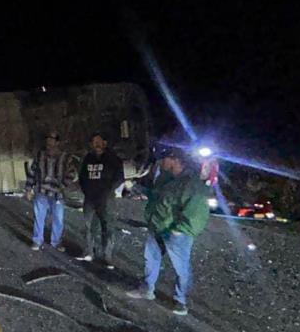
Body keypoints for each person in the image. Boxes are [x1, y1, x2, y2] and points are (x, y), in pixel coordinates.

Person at [126, 147, 210, 316]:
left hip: (176, 233)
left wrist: (181, 230)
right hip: (157, 226)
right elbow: (157, 197)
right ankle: (147, 289)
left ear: (175, 160)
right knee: (151, 259)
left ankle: (180, 302)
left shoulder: (192, 183)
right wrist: (138, 189)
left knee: (181, 268)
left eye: (164, 159)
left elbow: (197, 212)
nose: (160, 162)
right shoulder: (166, 178)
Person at [76, 132, 124, 269]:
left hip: (106, 200)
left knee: (107, 228)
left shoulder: (113, 159)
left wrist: (107, 192)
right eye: (94, 142)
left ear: (104, 143)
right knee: (89, 226)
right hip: (90, 199)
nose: (96, 144)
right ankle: (89, 252)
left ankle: (107, 257)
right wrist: (87, 191)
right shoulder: (88, 158)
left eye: (98, 141)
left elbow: (119, 178)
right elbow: (82, 177)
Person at [25, 131, 71, 252]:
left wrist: (62, 185)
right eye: (48, 139)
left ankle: (56, 242)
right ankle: (37, 241)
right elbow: (32, 172)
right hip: (41, 192)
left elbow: (71, 173)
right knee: (39, 217)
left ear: (57, 142)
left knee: (58, 219)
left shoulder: (65, 157)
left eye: (52, 139)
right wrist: (29, 188)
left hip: (58, 194)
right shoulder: (40, 155)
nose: (49, 142)